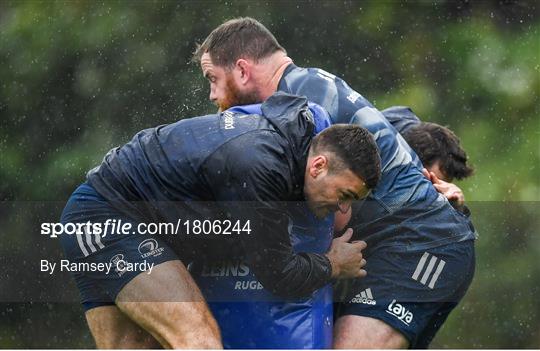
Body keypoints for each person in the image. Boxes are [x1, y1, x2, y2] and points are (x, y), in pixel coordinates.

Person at [193, 17, 477, 348]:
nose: (213, 95)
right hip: (395, 244)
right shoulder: (307, 85)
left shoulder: (295, 110)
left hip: (419, 244)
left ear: (242, 71)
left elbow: (334, 215)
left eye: (213, 79)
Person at [58, 93, 381, 348]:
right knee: (199, 339)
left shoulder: (288, 147)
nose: (342, 209)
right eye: (345, 195)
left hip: (114, 217)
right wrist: (333, 264)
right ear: (318, 166)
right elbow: (278, 275)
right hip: (106, 217)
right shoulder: (262, 166)